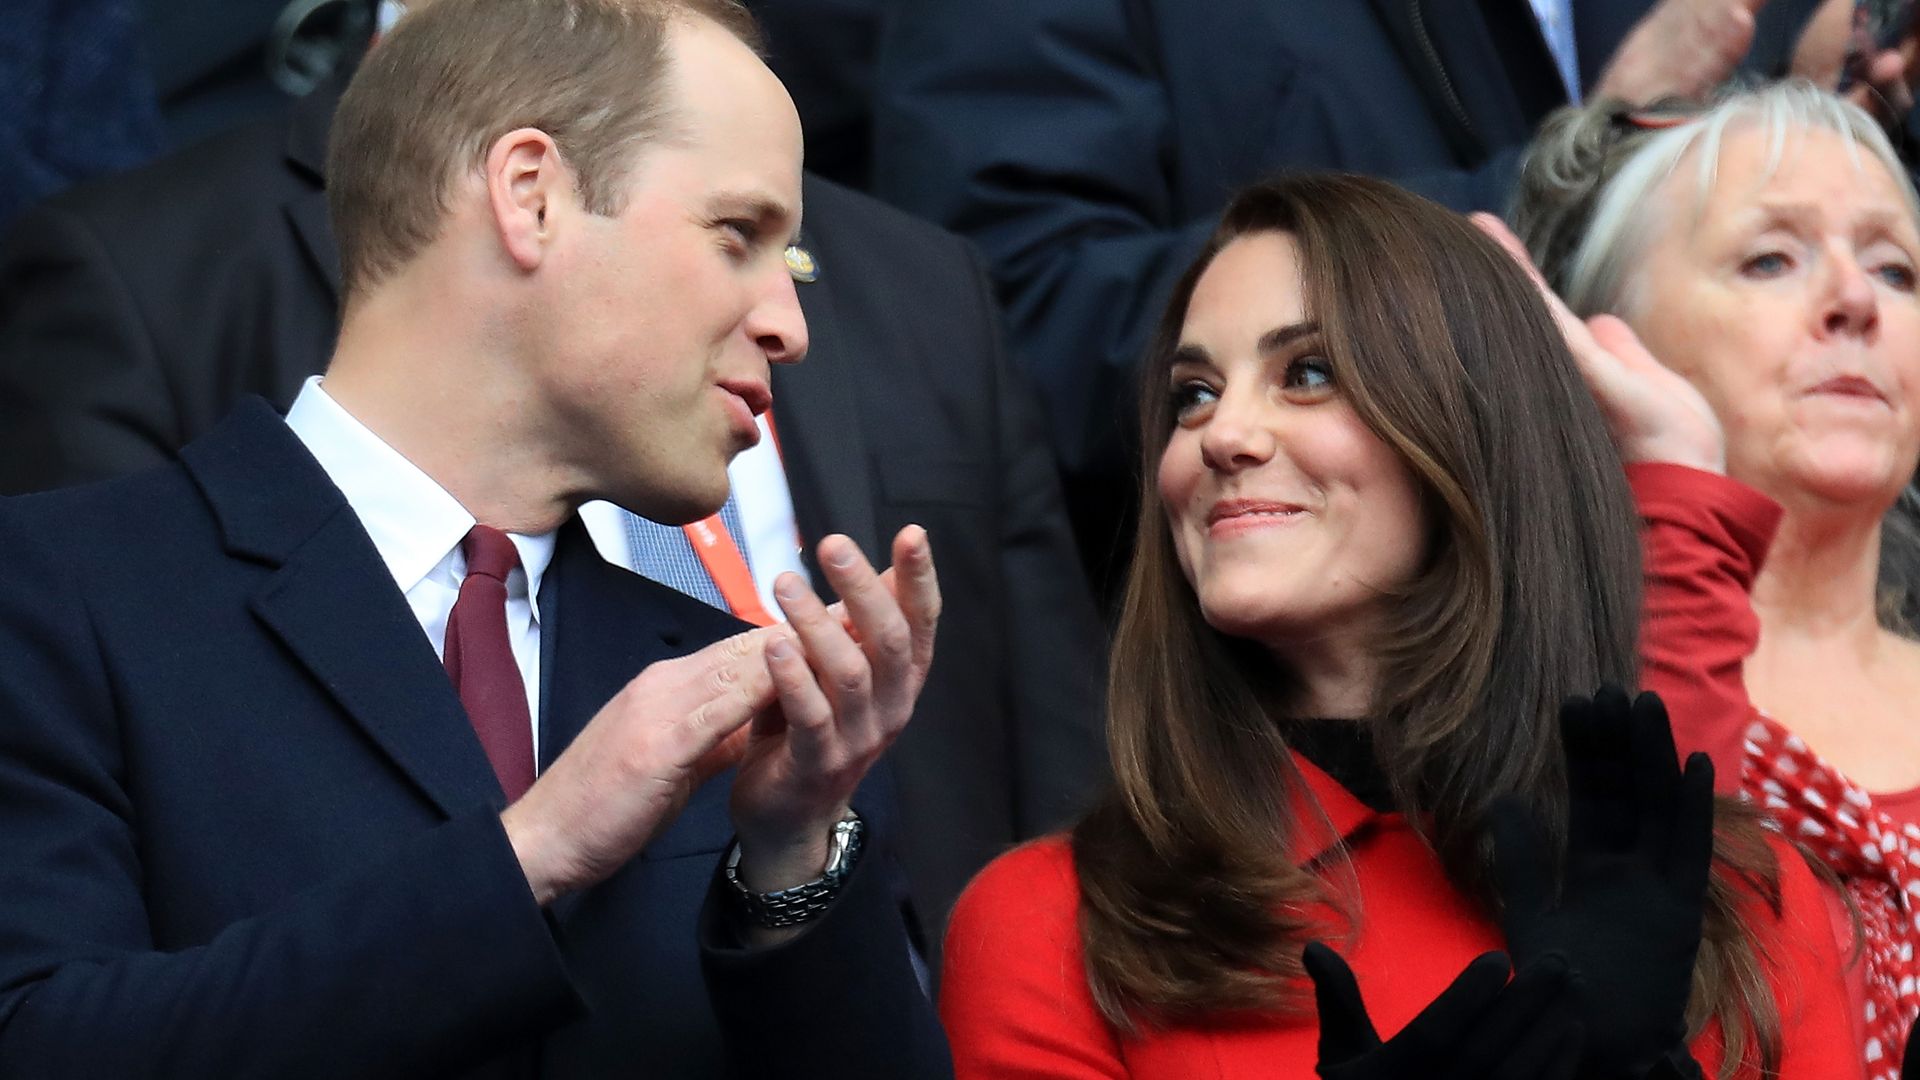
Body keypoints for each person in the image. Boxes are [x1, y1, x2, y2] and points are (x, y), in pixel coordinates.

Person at [0, 2, 1107, 949]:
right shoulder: (61, 598)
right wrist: (528, 854)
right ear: (530, 197)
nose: (793, 325)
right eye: (737, 235)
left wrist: (790, 855)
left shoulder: (704, 681)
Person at [936, 174, 1857, 1079]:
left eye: (1306, 374)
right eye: (1193, 393)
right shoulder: (1049, 922)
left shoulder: (1740, 899)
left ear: (1474, 436)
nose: (1221, 435)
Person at [867, 0, 1909, 598]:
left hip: (1773, 611)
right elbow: (1005, 332)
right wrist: (1578, 165)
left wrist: (1820, 103)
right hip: (1308, 732)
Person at [1507, 78, 1920, 1079]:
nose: (1855, 302)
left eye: (1897, 269)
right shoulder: (1523, 725)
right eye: (1770, 258)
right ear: (1605, 340)